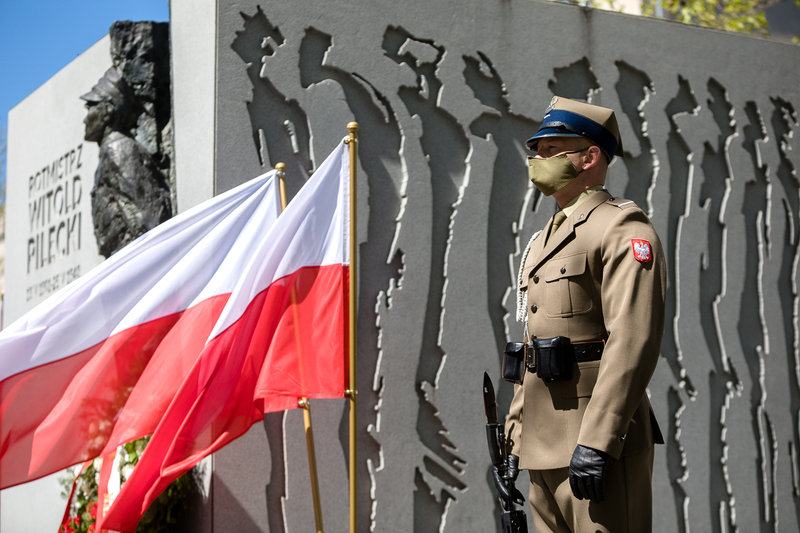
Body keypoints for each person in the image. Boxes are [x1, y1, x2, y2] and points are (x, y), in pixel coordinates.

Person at [500, 96, 667, 532]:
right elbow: (533, 350)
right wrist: (515, 438)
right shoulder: (544, 239)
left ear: (590, 157)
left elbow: (633, 340)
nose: (538, 160)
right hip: (542, 444)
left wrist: (598, 440)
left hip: (595, 444)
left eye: (551, 149)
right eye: (537, 151)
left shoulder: (621, 227)